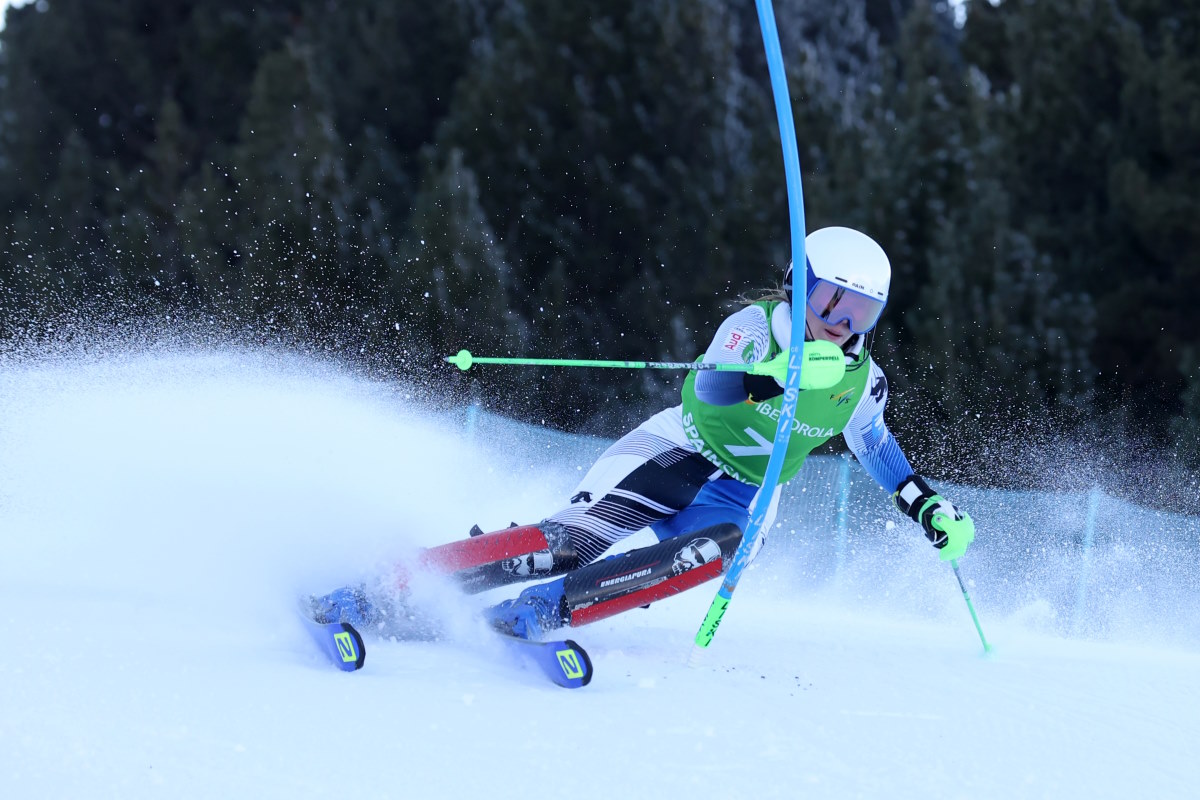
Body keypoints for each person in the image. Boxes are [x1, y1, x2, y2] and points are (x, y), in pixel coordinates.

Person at [312, 226, 975, 640]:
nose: (840, 320)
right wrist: (776, 378)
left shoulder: (862, 380)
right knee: (572, 543)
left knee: (709, 555)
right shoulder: (754, 327)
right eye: (829, 299)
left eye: (859, 309)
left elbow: (877, 447)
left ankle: (548, 611)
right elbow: (707, 388)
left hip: (744, 493)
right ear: (799, 287)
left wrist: (927, 506)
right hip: (678, 451)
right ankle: (388, 585)